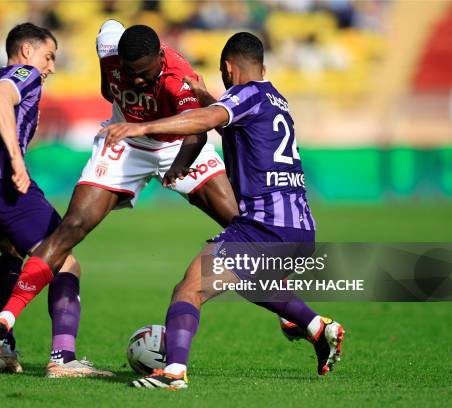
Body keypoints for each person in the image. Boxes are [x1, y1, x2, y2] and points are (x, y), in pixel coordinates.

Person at [0, 21, 243, 377]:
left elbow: (197, 129)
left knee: (243, 225)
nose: (139, 81)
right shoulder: (108, 50)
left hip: (178, 145)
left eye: (146, 75)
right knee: (71, 227)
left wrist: (177, 168)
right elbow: (107, 91)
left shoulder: (179, 76)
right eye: (132, 74)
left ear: (161, 58)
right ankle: (7, 319)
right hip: (125, 140)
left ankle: (302, 316)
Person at [101, 32, 345, 389]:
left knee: (189, 290)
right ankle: (317, 327)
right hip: (300, 229)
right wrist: (204, 97)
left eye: (222, 72)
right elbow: (229, 122)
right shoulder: (276, 100)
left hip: (265, 227)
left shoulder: (244, 94)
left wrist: (142, 127)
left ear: (229, 67)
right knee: (255, 284)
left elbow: (205, 120)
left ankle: (173, 373)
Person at [0, 22, 111, 377]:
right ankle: (63, 359)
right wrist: (16, 160)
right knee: (64, 261)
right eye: (49, 56)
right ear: (26, 51)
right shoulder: (24, 74)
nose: (50, 67)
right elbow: (0, 99)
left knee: (13, 255)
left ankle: (4, 350)